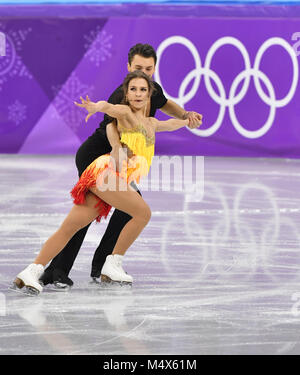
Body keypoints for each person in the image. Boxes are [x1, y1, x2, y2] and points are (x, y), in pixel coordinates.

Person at [12, 70, 201, 295]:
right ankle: (113, 264)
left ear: (150, 94)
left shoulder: (151, 123)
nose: (138, 94)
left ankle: (31, 271)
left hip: (106, 177)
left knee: (71, 227)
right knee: (142, 213)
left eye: (143, 90)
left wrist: (187, 120)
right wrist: (97, 107)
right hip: (106, 174)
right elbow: (110, 108)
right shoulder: (126, 113)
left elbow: (170, 124)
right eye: (133, 90)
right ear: (126, 93)